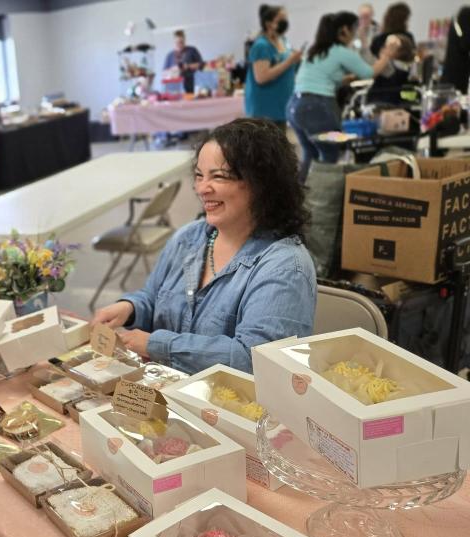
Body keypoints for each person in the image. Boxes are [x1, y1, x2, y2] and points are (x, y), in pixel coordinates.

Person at [92, 118, 316, 374]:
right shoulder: (189, 237)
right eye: (199, 176)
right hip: (165, 387)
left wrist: (157, 345)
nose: (201, 188)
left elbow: (255, 360)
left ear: (261, 184)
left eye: (218, 177)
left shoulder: (284, 267)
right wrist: (130, 308)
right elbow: (153, 297)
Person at [287, 11, 397, 181]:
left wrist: (348, 78)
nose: (355, 33)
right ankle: (322, 194)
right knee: (329, 154)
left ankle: (303, 194)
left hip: (295, 106)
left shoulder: (315, 50)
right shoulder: (341, 52)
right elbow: (369, 72)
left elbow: (323, 77)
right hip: (316, 107)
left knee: (310, 152)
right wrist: (387, 55)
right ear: (344, 30)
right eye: (354, 28)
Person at [245, 5, 304, 126]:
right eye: (281, 19)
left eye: (286, 18)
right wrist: (290, 61)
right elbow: (261, 77)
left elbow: (287, 67)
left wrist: (297, 60)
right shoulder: (262, 46)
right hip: (265, 109)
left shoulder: (283, 41)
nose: (285, 22)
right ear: (268, 24)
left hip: (281, 106)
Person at [164, 30, 204, 94]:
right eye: (177, 43)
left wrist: (188, 66)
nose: (179, 44)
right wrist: (173, 70)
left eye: (181, 42)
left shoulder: (192, 50)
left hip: (191, 86)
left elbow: (201, 65)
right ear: (174, 41)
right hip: (175, 89)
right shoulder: (170, 55)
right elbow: (165, 73)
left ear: (185, 40)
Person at [441, 6, 470, 94]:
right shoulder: (466, 14)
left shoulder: (460, 15)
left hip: (453, 71)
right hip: (457, 72)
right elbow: (465, 43)